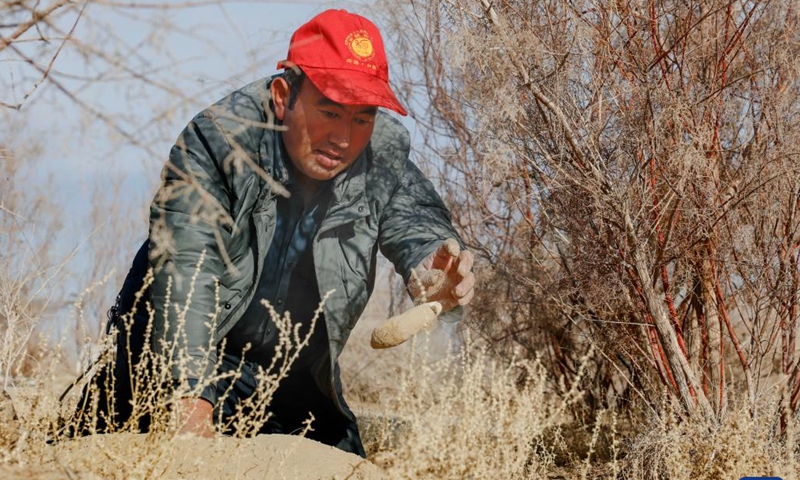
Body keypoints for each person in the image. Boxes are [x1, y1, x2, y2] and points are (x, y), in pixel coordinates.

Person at [86, 9, 474, 457]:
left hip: (290, 374)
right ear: (282, 95)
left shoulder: (379, 153)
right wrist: (188, 401)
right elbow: (187, 267)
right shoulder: (217, 141)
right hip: (181, 354)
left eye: (361, 119)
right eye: (329, 111)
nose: (344, 139)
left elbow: (416, 219)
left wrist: (432, 264)